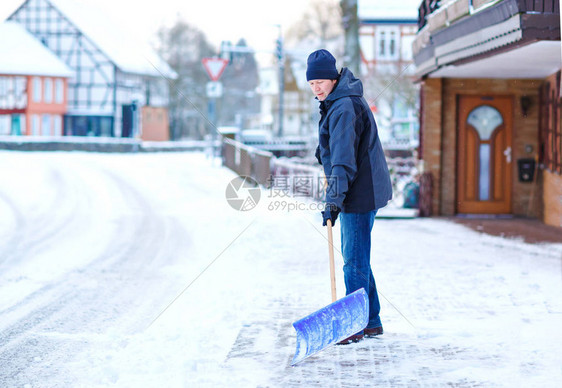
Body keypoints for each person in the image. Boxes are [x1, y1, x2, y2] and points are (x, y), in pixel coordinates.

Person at [307, 49, 392, 344]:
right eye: (311, 83)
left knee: (353, 262)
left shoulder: (343, 106)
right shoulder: (340, 102)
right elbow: (340, 148)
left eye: (320, 81)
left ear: (333, 78)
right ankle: (371, 320)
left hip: (359, 192)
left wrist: (332, 202)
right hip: (363, 189)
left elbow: (344, 162)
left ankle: (353, 325)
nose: (316, 88)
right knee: (358, 258)